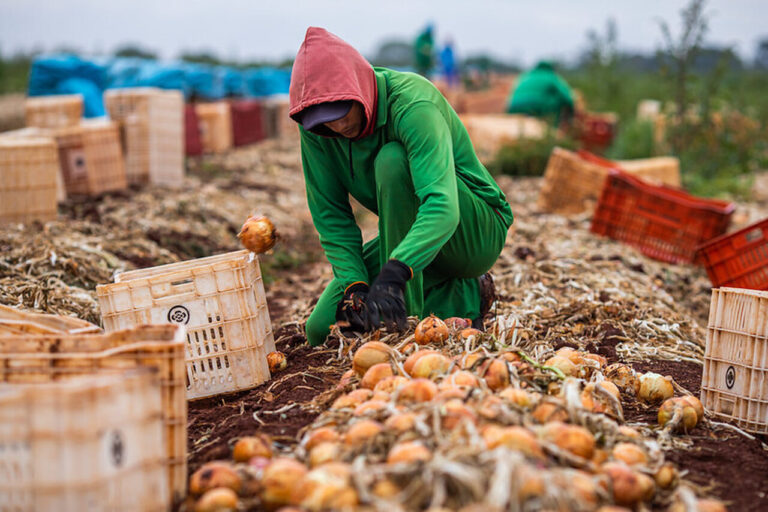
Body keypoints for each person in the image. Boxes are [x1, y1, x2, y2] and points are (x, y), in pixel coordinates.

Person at [288, 27, 514, 346]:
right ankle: (457, 287)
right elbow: (331, 216)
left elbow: (441, 205)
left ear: (360, 88)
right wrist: (355, 286)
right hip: (410, 231)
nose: (336, 126)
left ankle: (417, 319)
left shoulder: (412, 103)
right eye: (323, 121)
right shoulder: (317, 129)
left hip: (474, 230)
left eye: (340, 112)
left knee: (392, 161)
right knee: (324, 329)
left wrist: (395, 272)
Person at [507, 60, 575, 126]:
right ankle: (553, 128)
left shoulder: (525, 76)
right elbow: (567, 97)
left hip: (512, 107)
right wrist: (572, 113)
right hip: (535, 106)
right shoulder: (550, 76)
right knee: (557, 99)